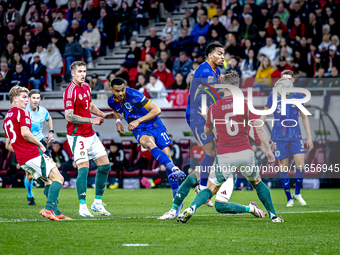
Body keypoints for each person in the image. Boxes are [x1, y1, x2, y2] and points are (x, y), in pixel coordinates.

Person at [176, 71, 283, 223]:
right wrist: (268, 152)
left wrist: (209, 120)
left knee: (210, 189)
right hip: (245, 152)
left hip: (224, 156)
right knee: (257, 183)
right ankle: (273, 216)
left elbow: (206, 131)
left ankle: (191, 208)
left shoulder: (214, 108)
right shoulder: (244, 104)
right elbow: (258, 128)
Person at [163, 43, 225, 217]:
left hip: (206, 113)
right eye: (219, 54)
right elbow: (211, 94)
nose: (222, 57)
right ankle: (201, 186)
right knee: (212, 151)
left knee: (213, 151)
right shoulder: (205, 71)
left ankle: (201, 185)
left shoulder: (216, 71)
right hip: (198, 115)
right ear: (210, 55)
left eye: (223, 54)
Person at [108, 78, 186, 216]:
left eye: (123, 90)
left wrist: (137, 120)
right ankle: (174, 169)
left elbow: (157, 109)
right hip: (140, 129)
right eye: (117, 91)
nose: (121, 93)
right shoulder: (111, 101)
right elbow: (116, 110)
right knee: (149, 144)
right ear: (112, 90)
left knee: (167, 158)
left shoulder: (134, 95)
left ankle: (177, 201)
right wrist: (118, 121)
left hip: (155, 125)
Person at [4, 86, 70, 221]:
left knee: (48, 180)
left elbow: (8, 145)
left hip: (23, 159)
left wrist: (22, 152)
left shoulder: (7, 118)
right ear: (15, 98)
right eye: (24, 97)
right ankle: (48, 208)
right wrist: (40, 145)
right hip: (32, 153)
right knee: (59, 179)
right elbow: (25, 133)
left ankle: (56, 212)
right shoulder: (22, 112)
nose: (27, 100)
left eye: (28, 97)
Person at [64, 61, 114, 217]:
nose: (83, 74)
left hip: (90, 134)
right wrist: (91, 120)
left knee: (105, 166)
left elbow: (90, 105)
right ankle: (82, 206)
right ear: (73, 73)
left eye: (84, 71)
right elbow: (69, 116)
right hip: (77, 135)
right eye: (79, 71)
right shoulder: (70, 91)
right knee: (84, 167)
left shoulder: (86, 87)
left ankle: (97, 203)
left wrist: (102, 114)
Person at [261, 70, 314, 207]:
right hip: (279, 136)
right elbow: (264, 115)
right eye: (283, 79)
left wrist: (309, 137)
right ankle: (289, 198)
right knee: (283, 166)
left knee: (300, 165)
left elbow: (304, 116)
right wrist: (259, 132)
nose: (285, 82)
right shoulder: (273, 95)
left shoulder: (297, 95)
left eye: (288, 79)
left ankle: (297, 193)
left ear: (293, 81)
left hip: (295, 135)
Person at [24, 89, 55, 205]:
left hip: (41, 142)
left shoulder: (43, 111)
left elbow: (49, 118)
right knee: (30, 176)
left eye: (38, 98)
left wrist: (51, 132)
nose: (36, 100)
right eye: (33, 98)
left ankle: (50, 195)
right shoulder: (24, 111)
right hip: (28, 144)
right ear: (29, 98)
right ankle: (30, 195)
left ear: (40, 99)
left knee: (51, 167)